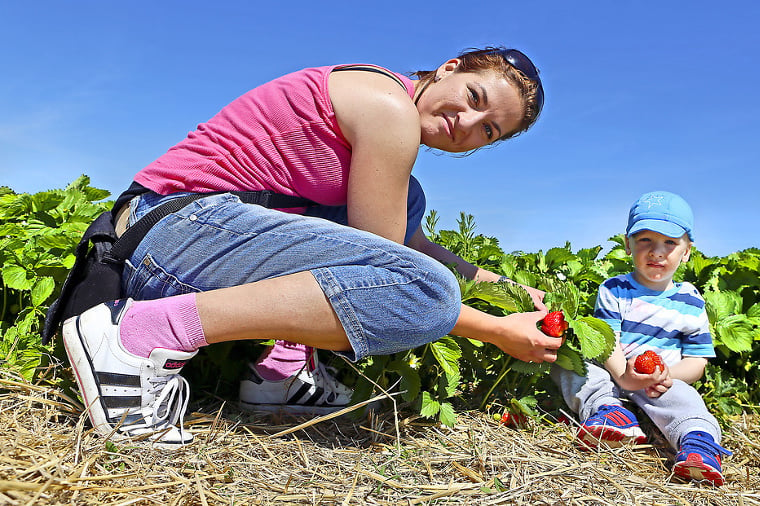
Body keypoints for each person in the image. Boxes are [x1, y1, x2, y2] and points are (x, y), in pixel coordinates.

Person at [62, 47, 558, 448]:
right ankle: (136, 337)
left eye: (488, 130)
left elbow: (413, 244)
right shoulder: (388, 109)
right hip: (173, 229)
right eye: (473, 97)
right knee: (425, 292)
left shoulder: (390, 132)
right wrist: (495, 329)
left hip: (170, 234)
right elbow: (396, 277)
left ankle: (280, 372)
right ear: (449, 68)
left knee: (409, 212)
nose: (467, 123)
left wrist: (502, 285)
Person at [551, 191, 733, 486]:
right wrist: (623, 375)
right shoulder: (614, 289)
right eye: (645, 240)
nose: (657, 252)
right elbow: (607, 341)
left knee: (685, 398)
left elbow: (697, 361)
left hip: (659, 382)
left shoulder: (691, 300)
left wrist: (666, 375)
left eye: (670, 243)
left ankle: (698, 442)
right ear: (628, 245)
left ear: (686, 251)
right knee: (573, 364)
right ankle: (610, 412)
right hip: (615, 370)